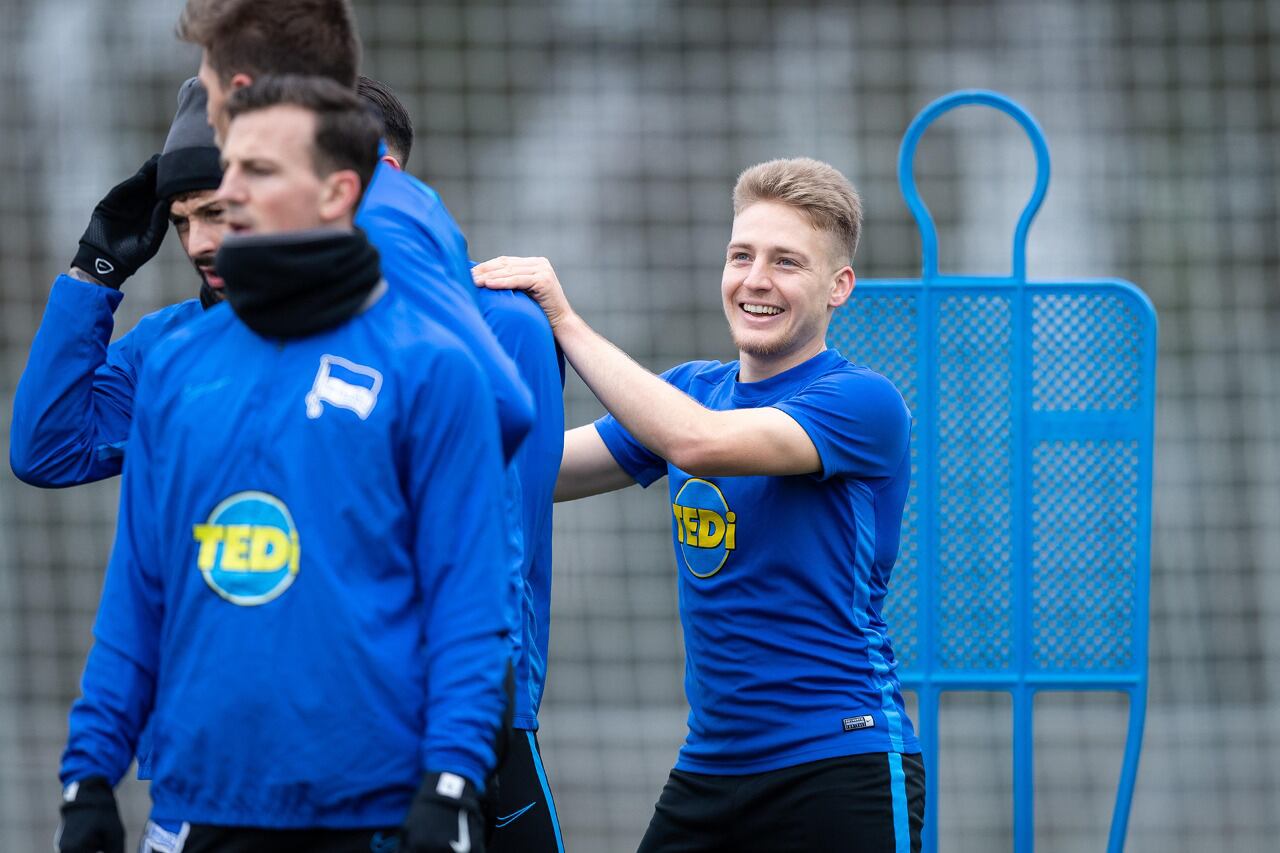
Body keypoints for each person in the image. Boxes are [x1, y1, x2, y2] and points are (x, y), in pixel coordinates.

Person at [56, 76, 512, 853]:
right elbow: (139, 593)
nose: (227, 201)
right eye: (230, 172)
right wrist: (90, 773)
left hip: (379, 809)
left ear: (338, 193)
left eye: (259, 173)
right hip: (206, 803)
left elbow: (468, 608)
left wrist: (452, 778)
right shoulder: (174, 367)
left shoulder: (432, 364)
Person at [176, 4, 567, 849]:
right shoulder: (350, 228)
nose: (201, 108)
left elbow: (497, 406)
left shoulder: (380, 221)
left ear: (240, 88)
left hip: (404, 702)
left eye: (207, 88)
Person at [474, 158, 927, 852]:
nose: (755, 280)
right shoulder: (694, 387)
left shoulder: (863, 403)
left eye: (786, 262)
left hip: (837, 760)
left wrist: (563, 321)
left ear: (839, 287)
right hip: (712, 768)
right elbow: (537, 472)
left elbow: (699, 442)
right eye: (741, 255)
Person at [10, 78, 227, 487]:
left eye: (217, 212)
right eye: (180, 221)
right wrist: (96, 266)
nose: (197, 244)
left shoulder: (368, 324)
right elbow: (46, 453)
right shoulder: (163, 349)